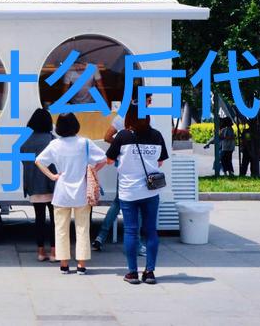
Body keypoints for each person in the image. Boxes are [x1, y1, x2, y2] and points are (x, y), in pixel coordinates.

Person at [35, 113, 106, 275]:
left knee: (61, 229)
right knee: (82, 229)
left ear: (59, 127)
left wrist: (53, 176)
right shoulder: (84, 143)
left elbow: (39, 161)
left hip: (61, 192)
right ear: (75, 125)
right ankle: (81, 265)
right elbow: (103, 159)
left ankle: (64, 264)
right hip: (82, 192)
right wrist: (92, 171)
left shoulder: (55, 144)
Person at [106, 103, 168, 285]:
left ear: (129, 118)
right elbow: (160, 162)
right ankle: (149, 272)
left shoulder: (123, 136)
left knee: (131, 231)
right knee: (151, 231)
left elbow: (109, 160)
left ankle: (132, 273)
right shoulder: (157, 135)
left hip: (129, 191)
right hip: (151, 191)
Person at [93, 94, 152, 254]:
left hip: (124, 165)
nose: (150, 103)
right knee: (138, 203)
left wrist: (122, 146)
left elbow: (107, 137)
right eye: (149, 99)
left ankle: (101, 236)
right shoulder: (147, 118)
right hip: (141, 168)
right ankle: (137, 245)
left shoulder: (121, 118)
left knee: (118, 202)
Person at [20, 108, 56, 262]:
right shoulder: (52, 140)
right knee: (56, 221)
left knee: (39, 220)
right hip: (52, 186)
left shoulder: (26, 143)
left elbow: (25, 163)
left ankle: (41, 252)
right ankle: (54, 252)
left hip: (34, 187)